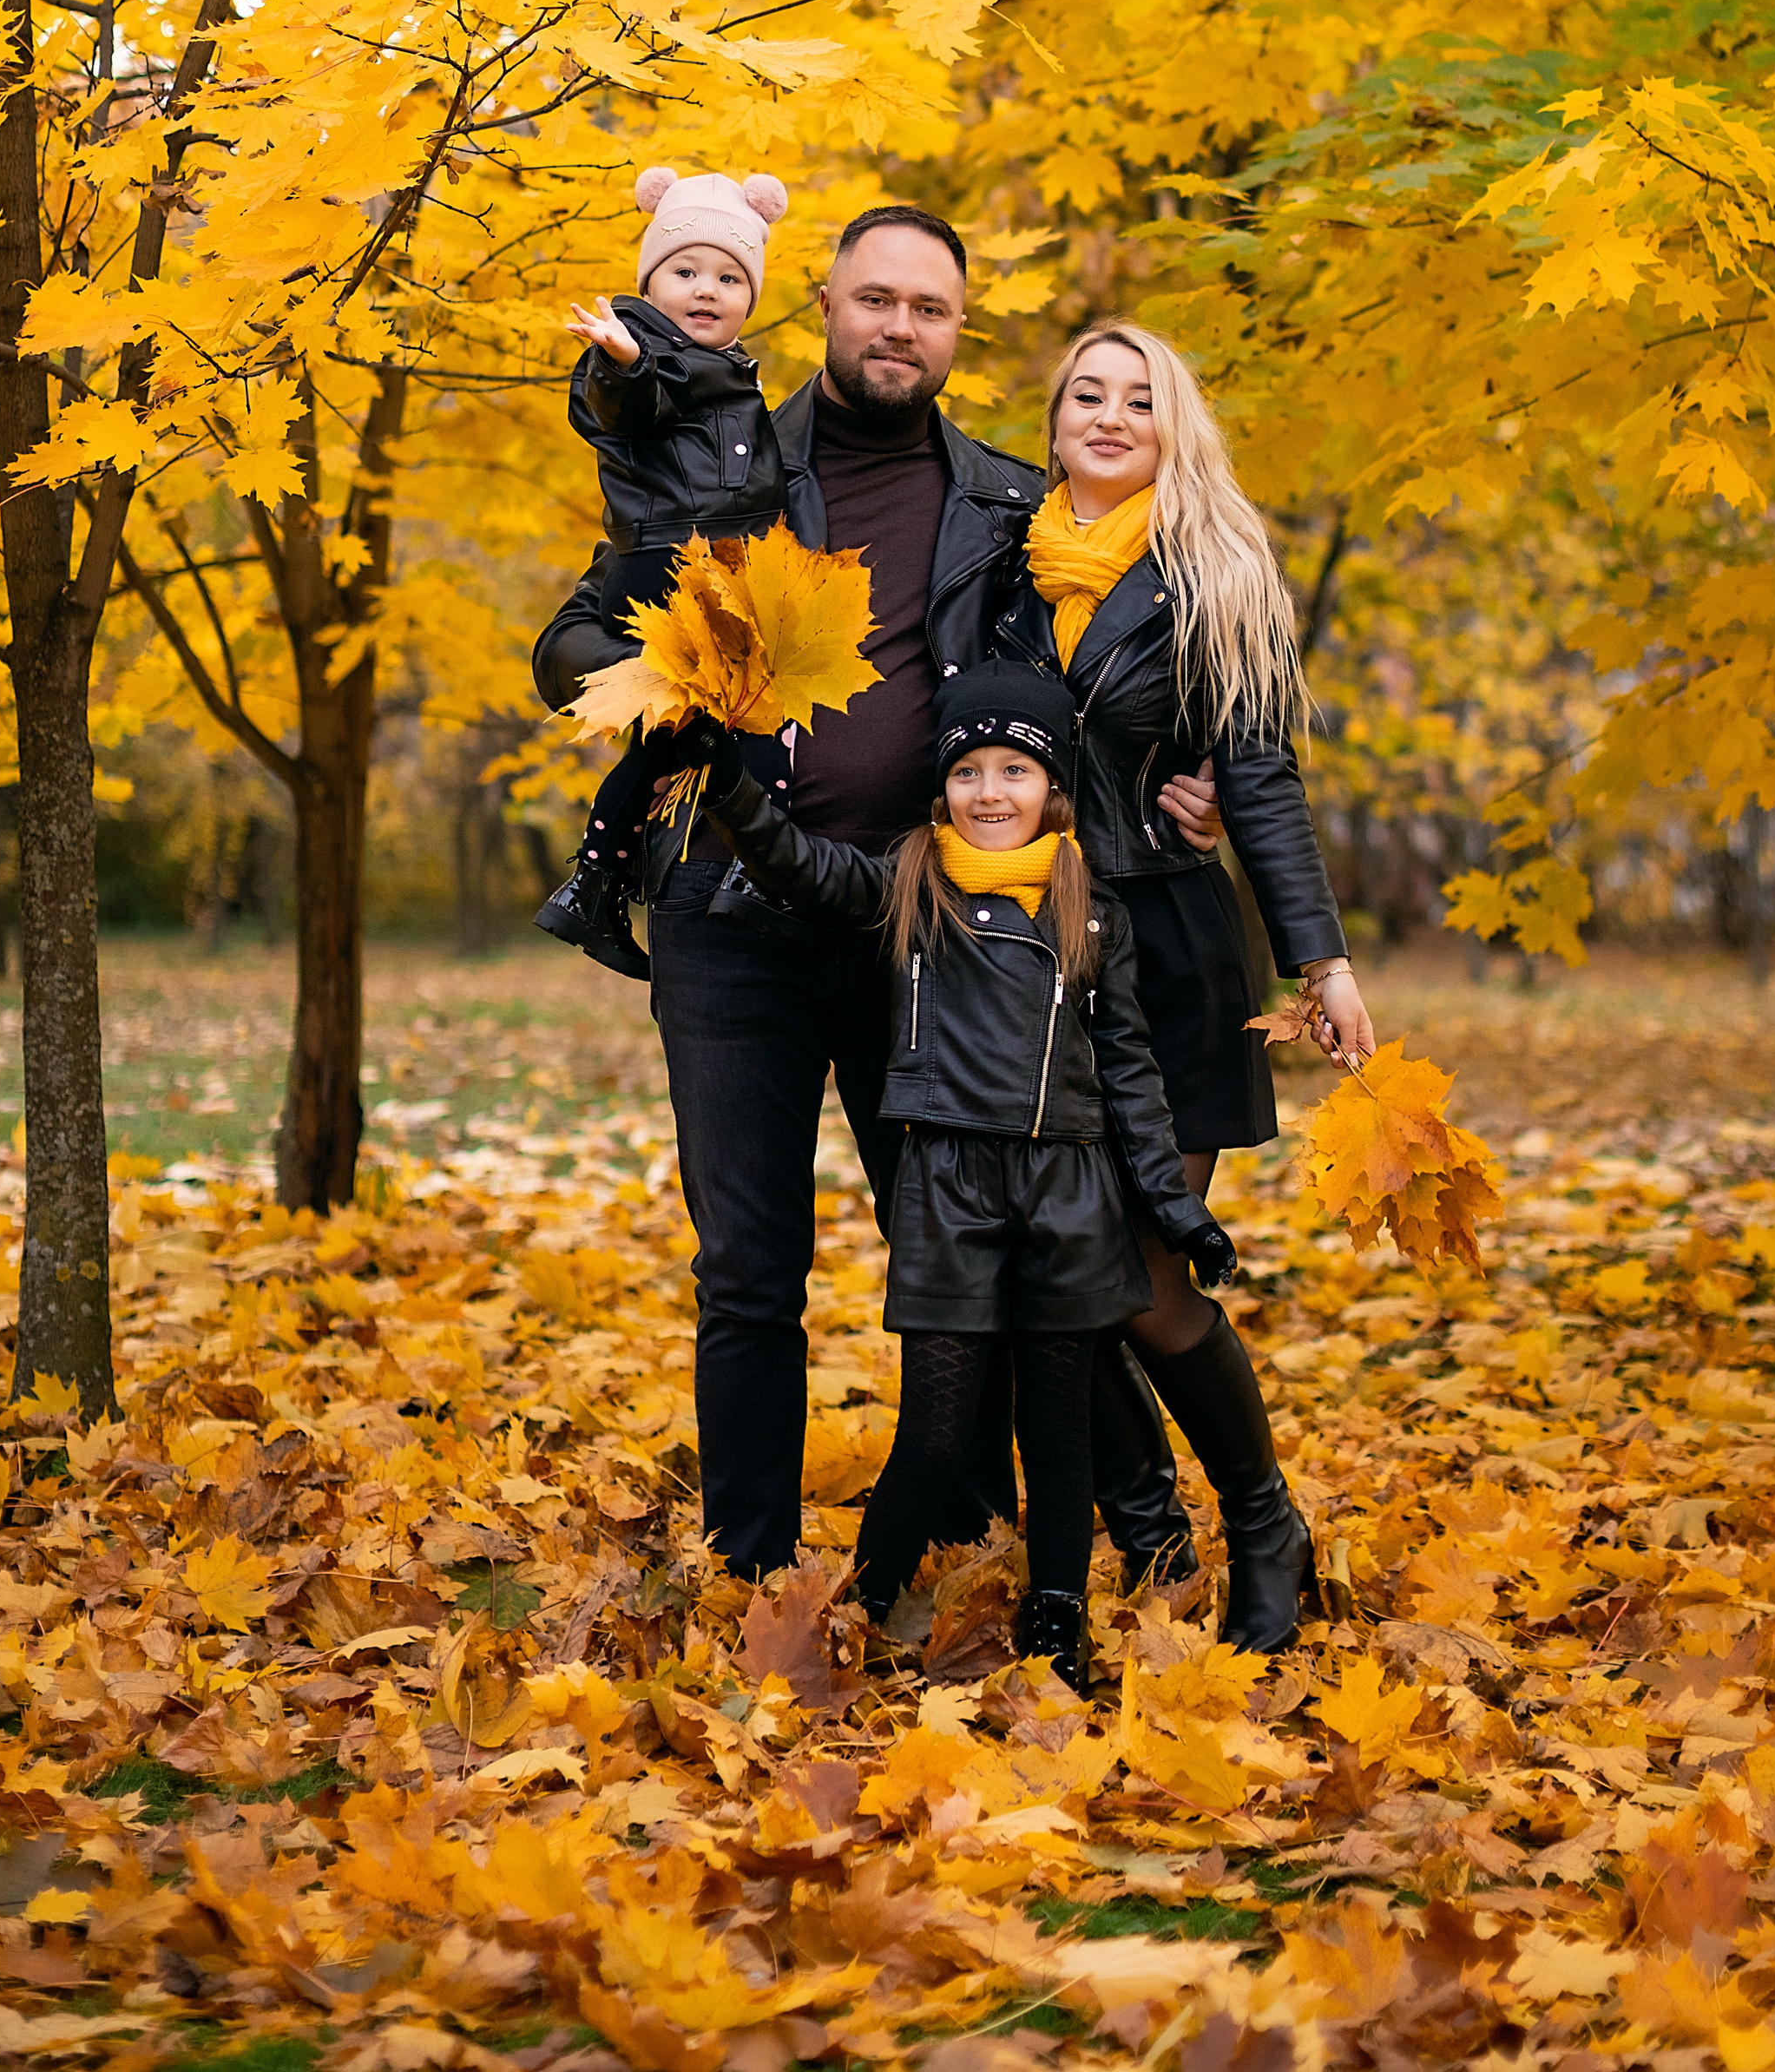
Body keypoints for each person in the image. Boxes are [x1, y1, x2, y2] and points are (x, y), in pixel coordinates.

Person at [532, 207, 1211, 1576]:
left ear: (959, 334)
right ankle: (754, 1563)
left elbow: (1095, 688)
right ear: (828, 309)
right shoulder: (718, 461)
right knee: (748, 1273)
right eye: (874, 299)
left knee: (986, 1261)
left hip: (933, 940)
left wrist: (1180, 787)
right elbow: (571, 640)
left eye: (930, 309)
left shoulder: (1011, 506)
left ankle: (1002, 1528)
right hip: (732, 918)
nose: (899, 326)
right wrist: (671, 681)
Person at [686, 663, 1236, 1693]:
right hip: (947, 1196)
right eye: (968, 771)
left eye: (1015, 770)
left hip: (1068, 1198)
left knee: (1057, 1434)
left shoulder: (1090, 910)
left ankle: (1057, 1622)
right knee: (934, 1430)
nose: (990, 791)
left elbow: (1130, 1077)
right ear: (939, 791)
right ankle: (858, 1607)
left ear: (1052, 789)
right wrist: (726, 784)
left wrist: (1175, 1207)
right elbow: (803, 867)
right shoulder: (908, 887)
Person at [994, 321, 1377, 1654]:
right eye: (1086, 395)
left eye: (1139, 400)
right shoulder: (999, 564)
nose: (1109, 417)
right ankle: (1149, 1531)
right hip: (1022, 968)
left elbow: (1259, 781)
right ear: (1052, 422)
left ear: (1175, 427)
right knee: (1055, 1276)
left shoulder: (1214, 574)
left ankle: (1262, 1523)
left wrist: (1320, 961)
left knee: (1147, 1281)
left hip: (1168, 961)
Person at [535, 164, 792, 978]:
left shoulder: (725, 366)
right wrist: (622, 358)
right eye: (684, 271)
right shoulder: (652, 355)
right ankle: (750, 872)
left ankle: (594, 885)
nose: (705, 289)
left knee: (689, 737)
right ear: (651, 280)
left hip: (713, 564)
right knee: (748, 720)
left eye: (728, 276)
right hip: (672, 563)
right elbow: (622, 407)